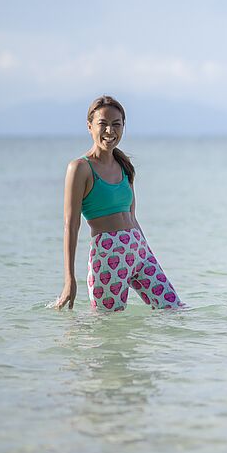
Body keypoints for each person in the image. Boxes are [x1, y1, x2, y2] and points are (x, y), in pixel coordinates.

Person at [54, 95, 182, 311]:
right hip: (108, 256)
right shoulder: (80, 168)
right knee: (108, 329)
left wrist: (147, 252)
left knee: (173, 309)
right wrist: (69, 279)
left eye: (116, 124)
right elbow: (71, 225)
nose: (109, 131)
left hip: (139, 252)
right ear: (89, 126)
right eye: (102, 124)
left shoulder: (124, 165)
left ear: (124, 126)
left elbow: (132, 217)